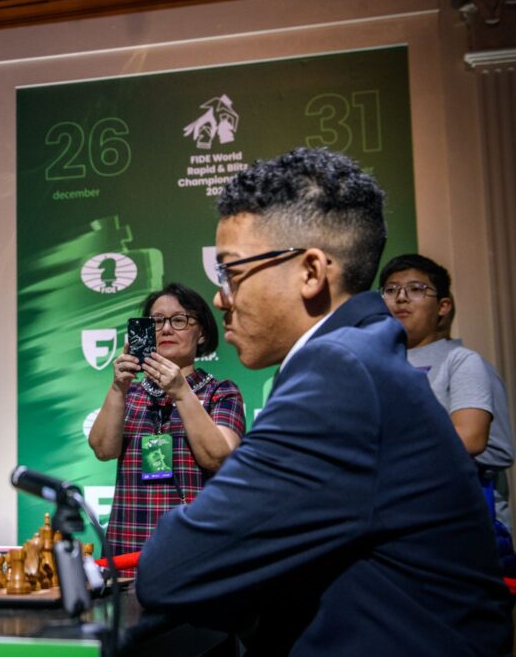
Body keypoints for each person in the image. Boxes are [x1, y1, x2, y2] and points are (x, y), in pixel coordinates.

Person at [136, 148, 511, 655]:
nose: (221, 298)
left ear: (310, 272)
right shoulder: (365, 353)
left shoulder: (340, 371)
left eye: (229, 272)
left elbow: (169, 570)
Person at [88, 283, 245, 558]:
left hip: (194, 552)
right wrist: (117, 388)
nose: (166, 329)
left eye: (179, 320)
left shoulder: (220, 392)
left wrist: (181, 391)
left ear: (201, 334)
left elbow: (218, 458)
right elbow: (102, 449)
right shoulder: (130, 393)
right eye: (157, 321)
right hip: (128, 550)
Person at [379, 254, 514, 537]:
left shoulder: (462, 362)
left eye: (416, 289)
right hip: (395, 514)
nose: (401, 298)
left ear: (443, 306)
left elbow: (494, 447)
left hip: (460, 519)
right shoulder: (376, 363)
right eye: (391, 290)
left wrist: (395, 447)